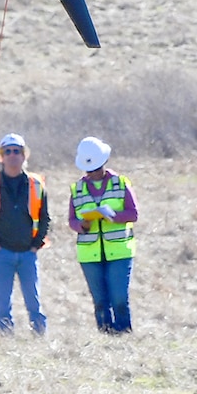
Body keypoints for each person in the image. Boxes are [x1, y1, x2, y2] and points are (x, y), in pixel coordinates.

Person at [0, 133, 50, 335]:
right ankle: (6, 342)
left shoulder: (37, 184)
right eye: (7, 151)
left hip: (28, 253)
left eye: (16, 151)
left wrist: (36, 245)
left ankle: (40, 338)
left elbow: (45, 218)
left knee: (34, 302)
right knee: (3, 304)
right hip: (2, 253)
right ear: (1, 156)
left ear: (24, 155)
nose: (12, 155)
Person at [69, 137, 139, 333]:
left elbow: (133, 213)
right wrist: (81, 225)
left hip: (119, 250)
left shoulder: (121, 183)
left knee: (119, 299)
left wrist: (113, 217)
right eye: (88, 170)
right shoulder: (77, 189)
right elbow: (72, 220)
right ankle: (105, 335)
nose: (92, 173)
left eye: (96, 168)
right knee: (100, 301)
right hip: (89, 253)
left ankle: (124, 333)